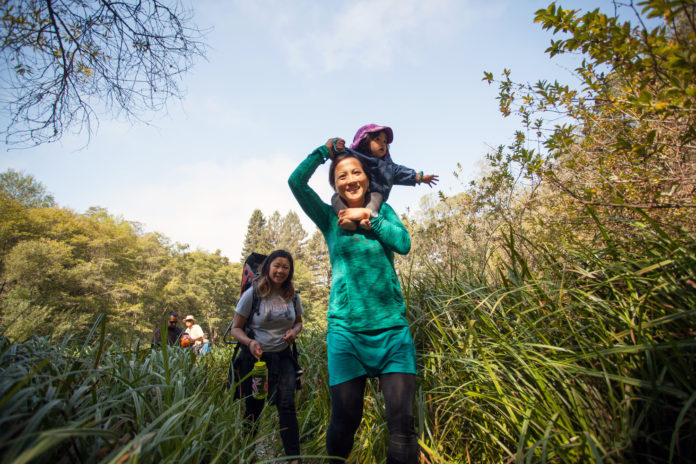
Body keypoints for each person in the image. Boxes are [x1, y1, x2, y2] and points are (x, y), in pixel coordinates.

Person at [288, 139, 419, 463]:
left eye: (356, 172)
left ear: (366, 176)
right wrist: (323, 153)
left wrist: (368, 218)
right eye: (342, 176)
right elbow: (295, 182)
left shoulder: (383, 211)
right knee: (345, 423)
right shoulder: (328, 218)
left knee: (402, 426)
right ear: (335, 183)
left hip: (392, 332)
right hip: (346, 333)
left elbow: (403, 243)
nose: (350, 179)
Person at [230, 249, 304, 464]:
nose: (280, 270)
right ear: (268, 267)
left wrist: (294, 332)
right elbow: (236, 329)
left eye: (285, 267)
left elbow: (298, 322)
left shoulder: (292, 295)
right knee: (254, 407)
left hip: (283, 358)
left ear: (290, 271)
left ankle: (294, 459)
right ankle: (248, 454)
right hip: (257, 362)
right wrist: (250, 342)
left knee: (287, 405)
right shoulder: (252, 294)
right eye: (277, 266)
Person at [330, 123, 438, 230]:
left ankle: (366, 218)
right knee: (336, 198)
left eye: (385, 142)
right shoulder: (354, 156)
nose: (382, 144)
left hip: (373, 195)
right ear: (365, 141)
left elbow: (401, 173)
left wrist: (420, 178)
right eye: (378, 139)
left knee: (376, 197)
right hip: (353, 199)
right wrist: (336, 145)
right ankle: (346, 219)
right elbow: (340, 153)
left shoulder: (388, 167)